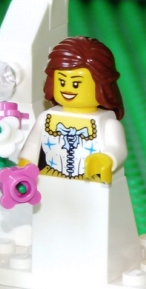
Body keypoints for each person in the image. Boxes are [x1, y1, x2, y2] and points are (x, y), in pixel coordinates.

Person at [20, 37, 126, 183]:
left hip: (92, 182)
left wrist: (107, 158)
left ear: (102, 86)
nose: (67, 89)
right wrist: (25, 164)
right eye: (62, 82)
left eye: (76, 84)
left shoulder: (108, 123)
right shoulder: (46, 118)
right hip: (49, 180)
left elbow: (118, 148)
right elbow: (33, 146)